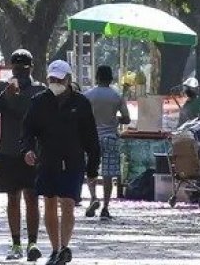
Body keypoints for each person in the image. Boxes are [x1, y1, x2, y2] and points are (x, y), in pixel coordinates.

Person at [21, 60, 100, 265]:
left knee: (68, 203)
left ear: (69, 79)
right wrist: (28, 149)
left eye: (59, 79)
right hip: (48, 159)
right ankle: (55, 249)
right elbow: (28, 130)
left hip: (73, 161)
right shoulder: (39, 101)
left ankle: (65, 247)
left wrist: (93, 166)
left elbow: (90, 136)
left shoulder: (81, 103)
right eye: (52, 79)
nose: (55, 82)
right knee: (49, 201)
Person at [0, 49, 44, 261]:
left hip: (31, 152)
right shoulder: (1, 86)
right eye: (16, 67)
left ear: (31, 67)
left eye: (23, 67)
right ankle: (15, 244)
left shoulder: (39, 89)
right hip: (8, 151)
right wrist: (6, 95)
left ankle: (33, 243)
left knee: (32, 197)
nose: (19, 71)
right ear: (10, 66)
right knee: (13, 198)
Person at [81, 65, 130, 220]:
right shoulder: (116, 96)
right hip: (110, 137)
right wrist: (115, 119)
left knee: (91, 170)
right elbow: (127, 118)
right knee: (108, 174)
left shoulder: (87, 95)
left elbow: (80, 116)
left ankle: (94, 197)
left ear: (97, 77)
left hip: (92, 137)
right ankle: (106, 207)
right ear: (111, 78)